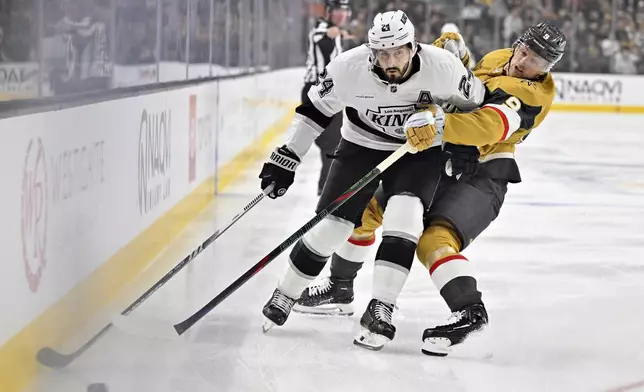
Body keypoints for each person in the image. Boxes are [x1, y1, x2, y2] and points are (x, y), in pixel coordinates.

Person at [294, 22, 567, 355]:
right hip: (444, 160)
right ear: (518, 44)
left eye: (537, 61)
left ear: (548, 68)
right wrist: (459, 62)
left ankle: (470, 313)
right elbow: (472, 94)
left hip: (482, 175)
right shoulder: (500, 57)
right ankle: (340, 287)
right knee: (365, 214)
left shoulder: (531, 94)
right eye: (525, 51)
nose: (525, 62)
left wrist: (438, 124)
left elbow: (489, 124)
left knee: (434, 240)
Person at [257, 10, 487, 349]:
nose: (390, 61)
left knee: (405, 219)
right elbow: (314, 112)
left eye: (397, 52)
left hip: (418, 152)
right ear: (370, 51)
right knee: (332, 226)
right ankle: (285, 293)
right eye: (382, 53)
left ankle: (382, 306)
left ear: (413, 47)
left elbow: (478, 104)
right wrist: (287, 157)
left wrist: (465, 145)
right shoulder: (348, 69)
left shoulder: (443, 67)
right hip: (361, 146)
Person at [303, 0, 352, 195]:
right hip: (317, 92)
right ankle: (327, 188)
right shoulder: (323, 28)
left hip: (329, 93)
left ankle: (327, 186)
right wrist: (331, 33)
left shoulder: (336, 31)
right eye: (338, 10)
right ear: (330, 11)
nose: (342, 15)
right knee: (331, 142)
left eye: (345, 11)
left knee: (335, 141)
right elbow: (317, 35)